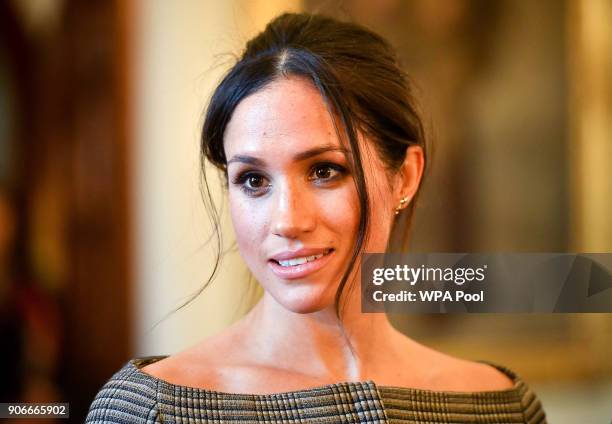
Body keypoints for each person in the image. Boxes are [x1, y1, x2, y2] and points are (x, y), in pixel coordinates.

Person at [86, 13, 546, 423]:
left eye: (325, 171)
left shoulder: (502, 406)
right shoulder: (152, 410)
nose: (287, 221)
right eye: (253, 180)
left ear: (404, 177)